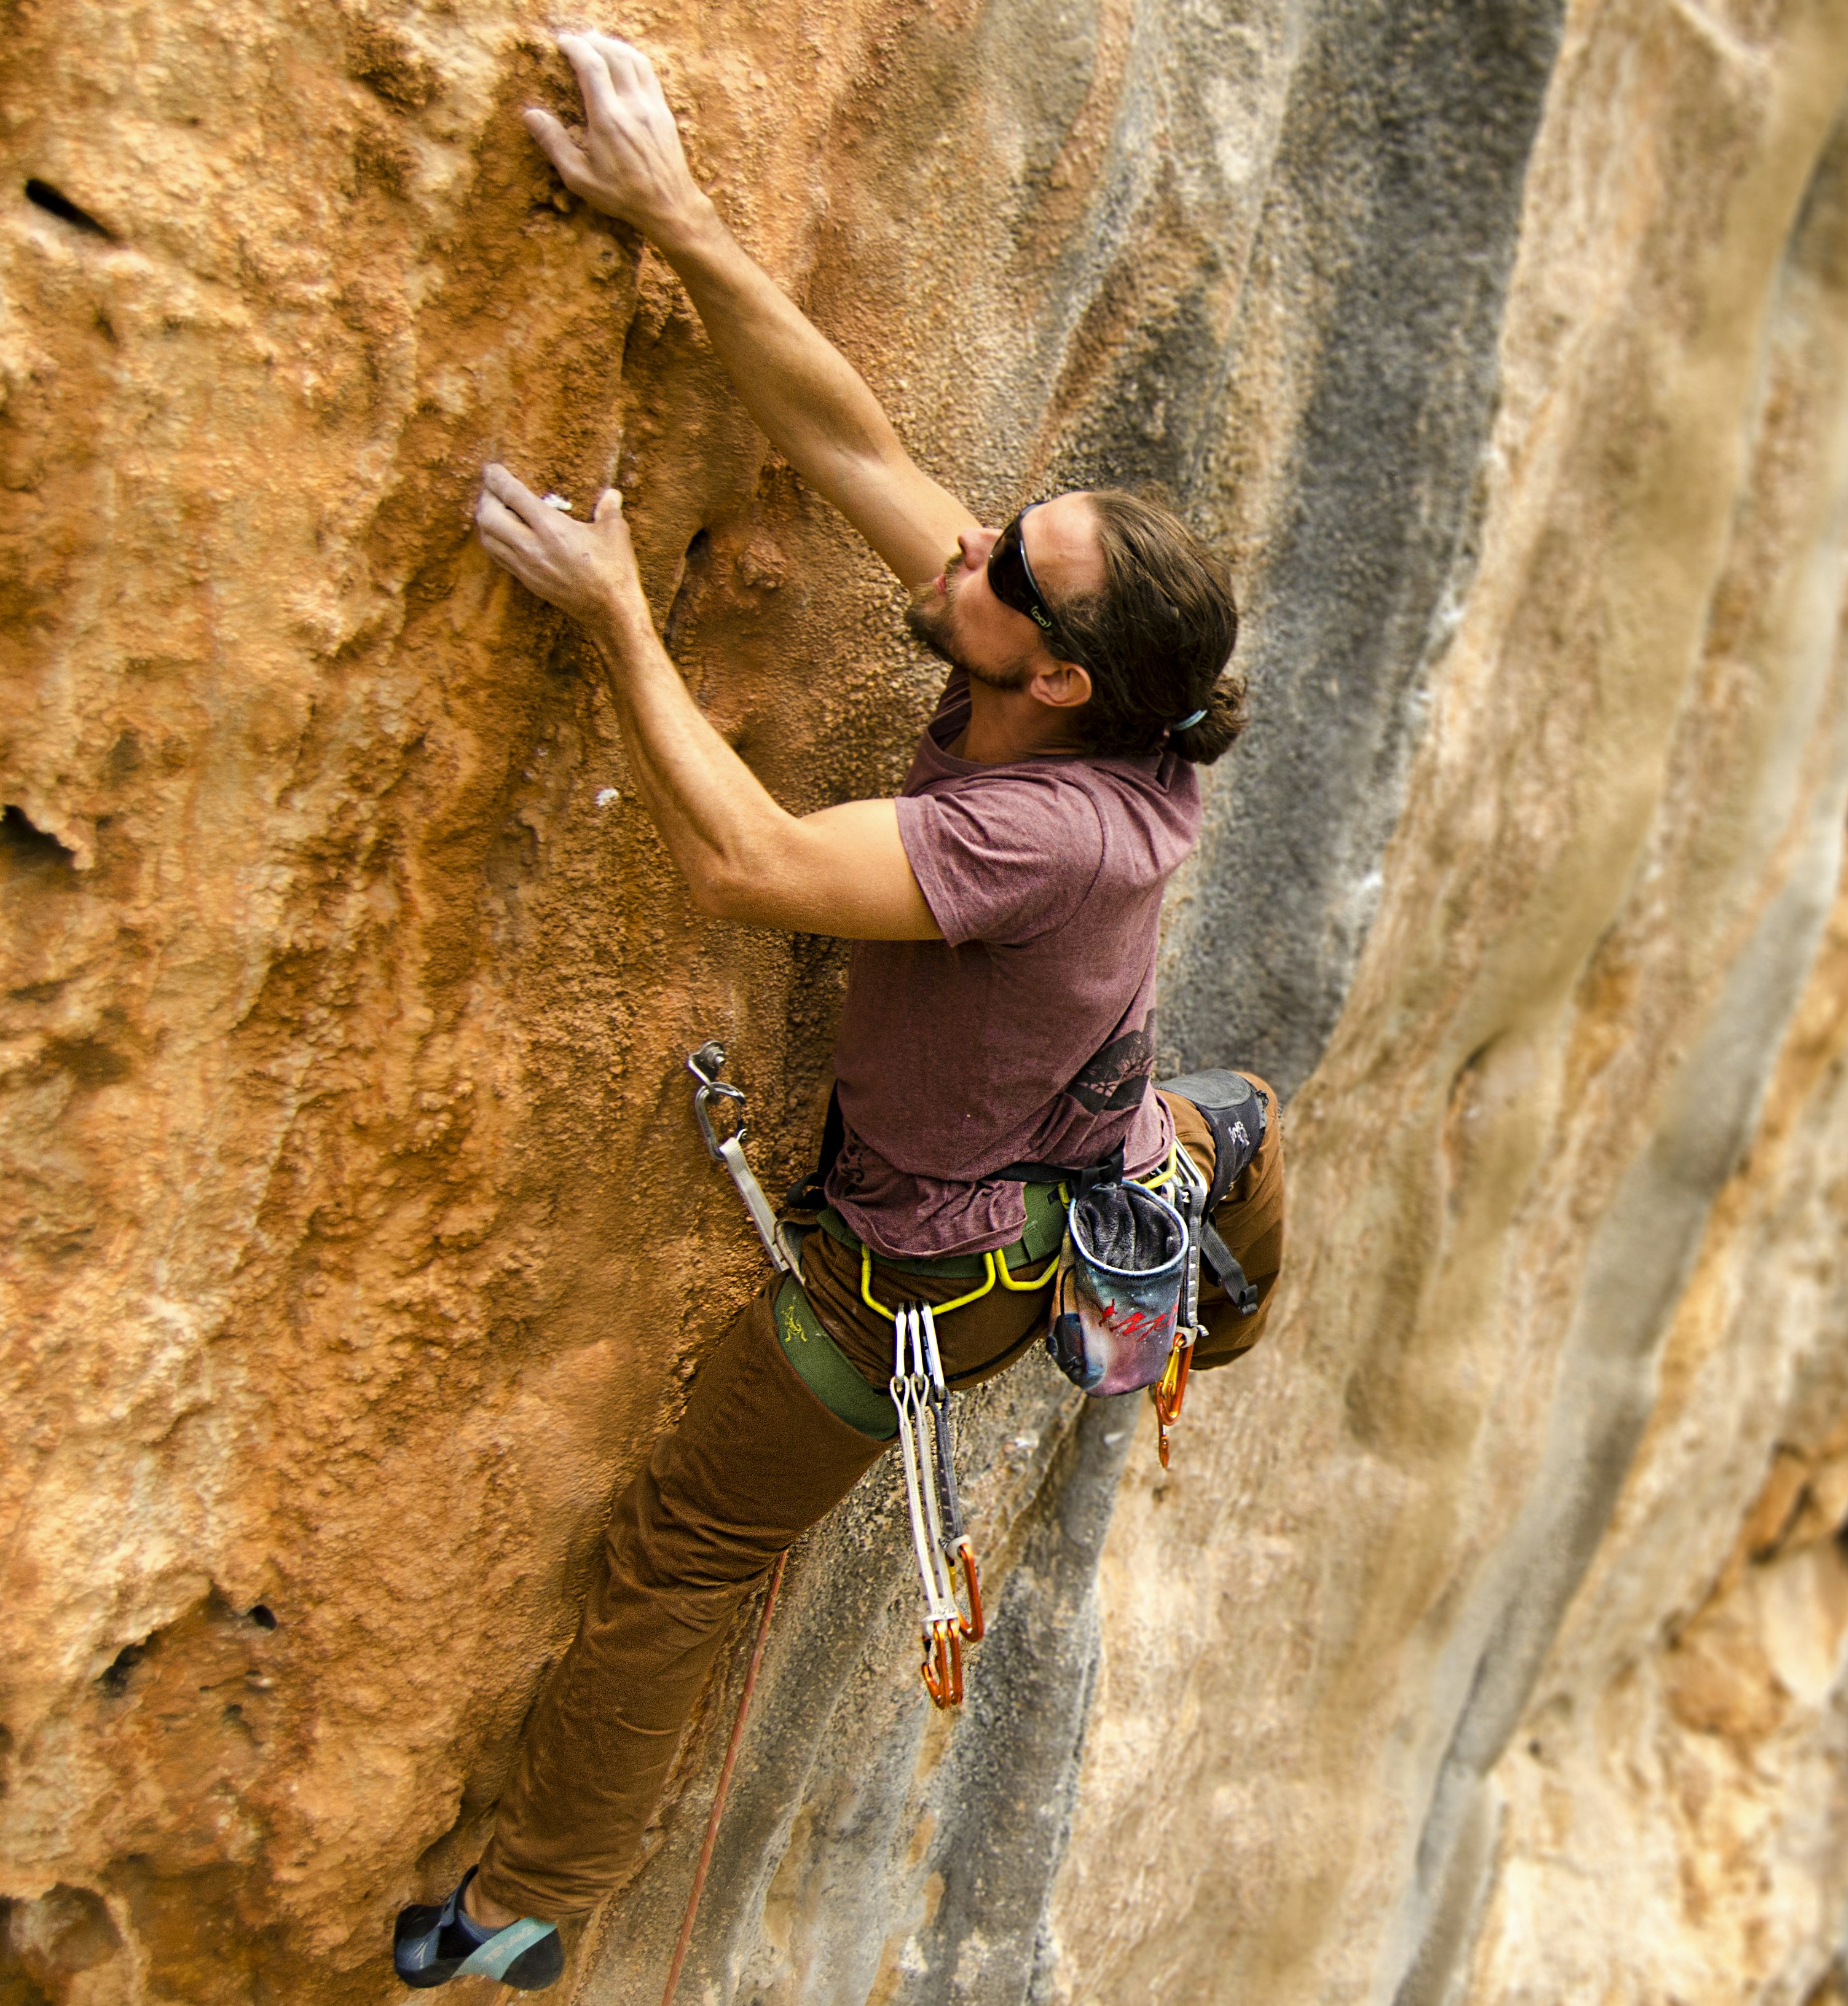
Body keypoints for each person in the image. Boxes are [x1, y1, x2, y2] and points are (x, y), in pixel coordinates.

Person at [389, 30, 1287, 1992]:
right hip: (1090, 1138)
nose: (965, 547)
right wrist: (668, 206)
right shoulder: (1071, 669)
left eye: (1006, 571)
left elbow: (753, 867)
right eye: (1007, 532)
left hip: (924, 1282)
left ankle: (530, 1902)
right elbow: (858, 448)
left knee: (683, 1562)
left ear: (1058, 679)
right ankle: (1232, 1173)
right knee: (1187, 1126)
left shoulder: (1050, 831)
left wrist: (620, 615)